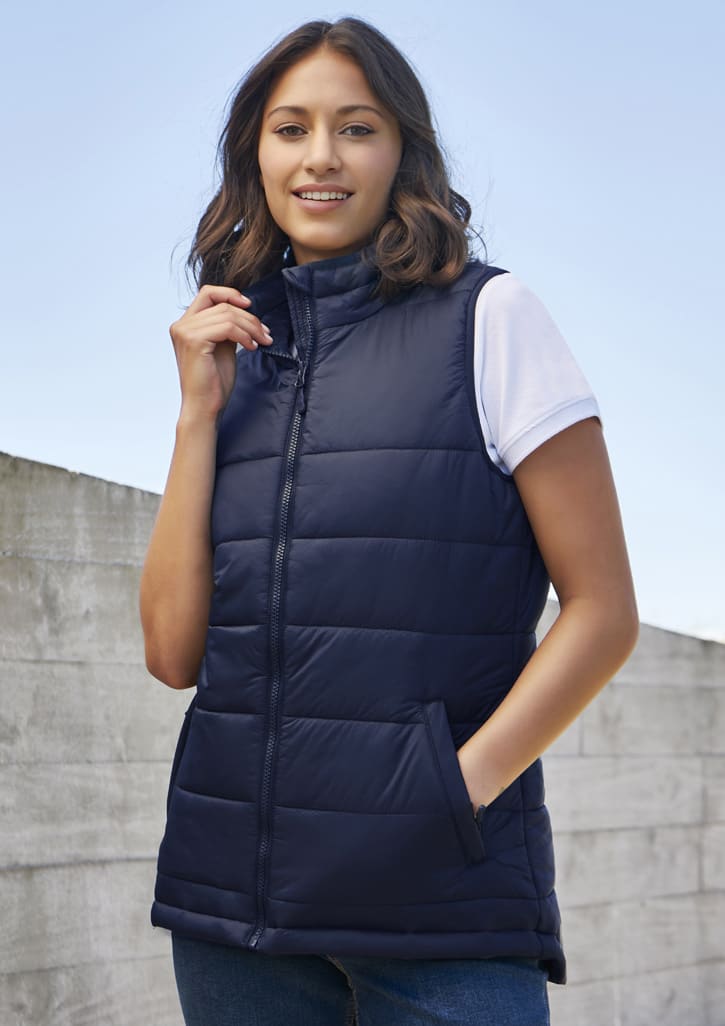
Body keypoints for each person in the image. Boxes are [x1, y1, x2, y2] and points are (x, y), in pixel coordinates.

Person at [139, 16, 639, 1026]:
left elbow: (602, 612)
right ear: (255, 156)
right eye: (290, 129)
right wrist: (195, 413)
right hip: (232, 920)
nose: (321, 156)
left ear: (401, 151)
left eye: (356, 127)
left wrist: (451, 794)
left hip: (439, 918)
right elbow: (172, 654)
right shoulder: (235, 358)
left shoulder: (491, 319)